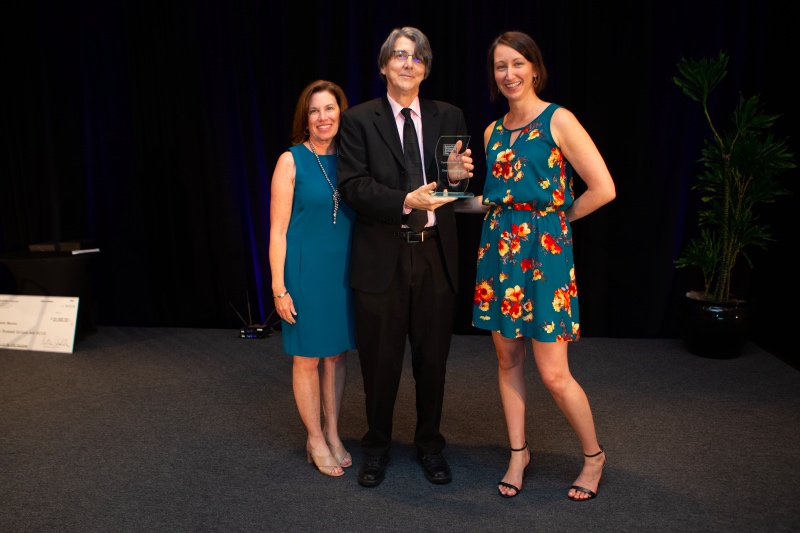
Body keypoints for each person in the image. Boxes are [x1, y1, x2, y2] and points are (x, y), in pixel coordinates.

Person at [458, 31, 616, 500]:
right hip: (499, 256)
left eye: (517, 63)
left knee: (553, 374)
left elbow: (603, 188)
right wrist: (449, 194)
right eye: (500, 66)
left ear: (534, 68)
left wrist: (555, 222)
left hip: (544, 257)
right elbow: (495, 200)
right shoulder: (492, 132)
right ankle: (517, 453)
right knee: (507, 359)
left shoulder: (558, 119)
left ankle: (594, 456)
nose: (509, 74)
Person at [337, 26, 474, 488]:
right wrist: (405, 201)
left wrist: (459, 177)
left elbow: (456, 186)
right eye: (399, 55)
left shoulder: (449, 115)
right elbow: (353, 186)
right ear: (383, 66)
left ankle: (430, 444)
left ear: (426, 69)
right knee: (380, 362)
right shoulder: (358, 120)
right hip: (383, 256)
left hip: (436, 255)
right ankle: (376, 447)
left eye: (417, 57)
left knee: (433, 361)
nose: (408, 63)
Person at [268, 79, 357, 478]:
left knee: (337, 354)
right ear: (305, 119)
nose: (323, 117)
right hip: (304, 273)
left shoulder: (353, 159)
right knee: (307, 357)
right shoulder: (291, 161)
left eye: (330, 109)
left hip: (343, 273)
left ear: (341, 113)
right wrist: (278, 287)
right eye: (315, 111)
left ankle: (333, 433)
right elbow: (277, 231)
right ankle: (315, 438)